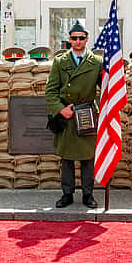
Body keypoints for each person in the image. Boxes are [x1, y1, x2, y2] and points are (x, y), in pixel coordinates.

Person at [44, 22, 102, 209]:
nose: (78, 41)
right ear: (69, 40)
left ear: (87, 39)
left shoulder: (96, 63)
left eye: (81, 38)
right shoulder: (60, 62)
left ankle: (88, 194)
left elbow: (107, 89)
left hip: (86, 113)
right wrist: (61, 109)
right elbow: (51, 91)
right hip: (67, 114)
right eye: (74, 38)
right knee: (67, 158)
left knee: (87, 157)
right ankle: (67, 194)